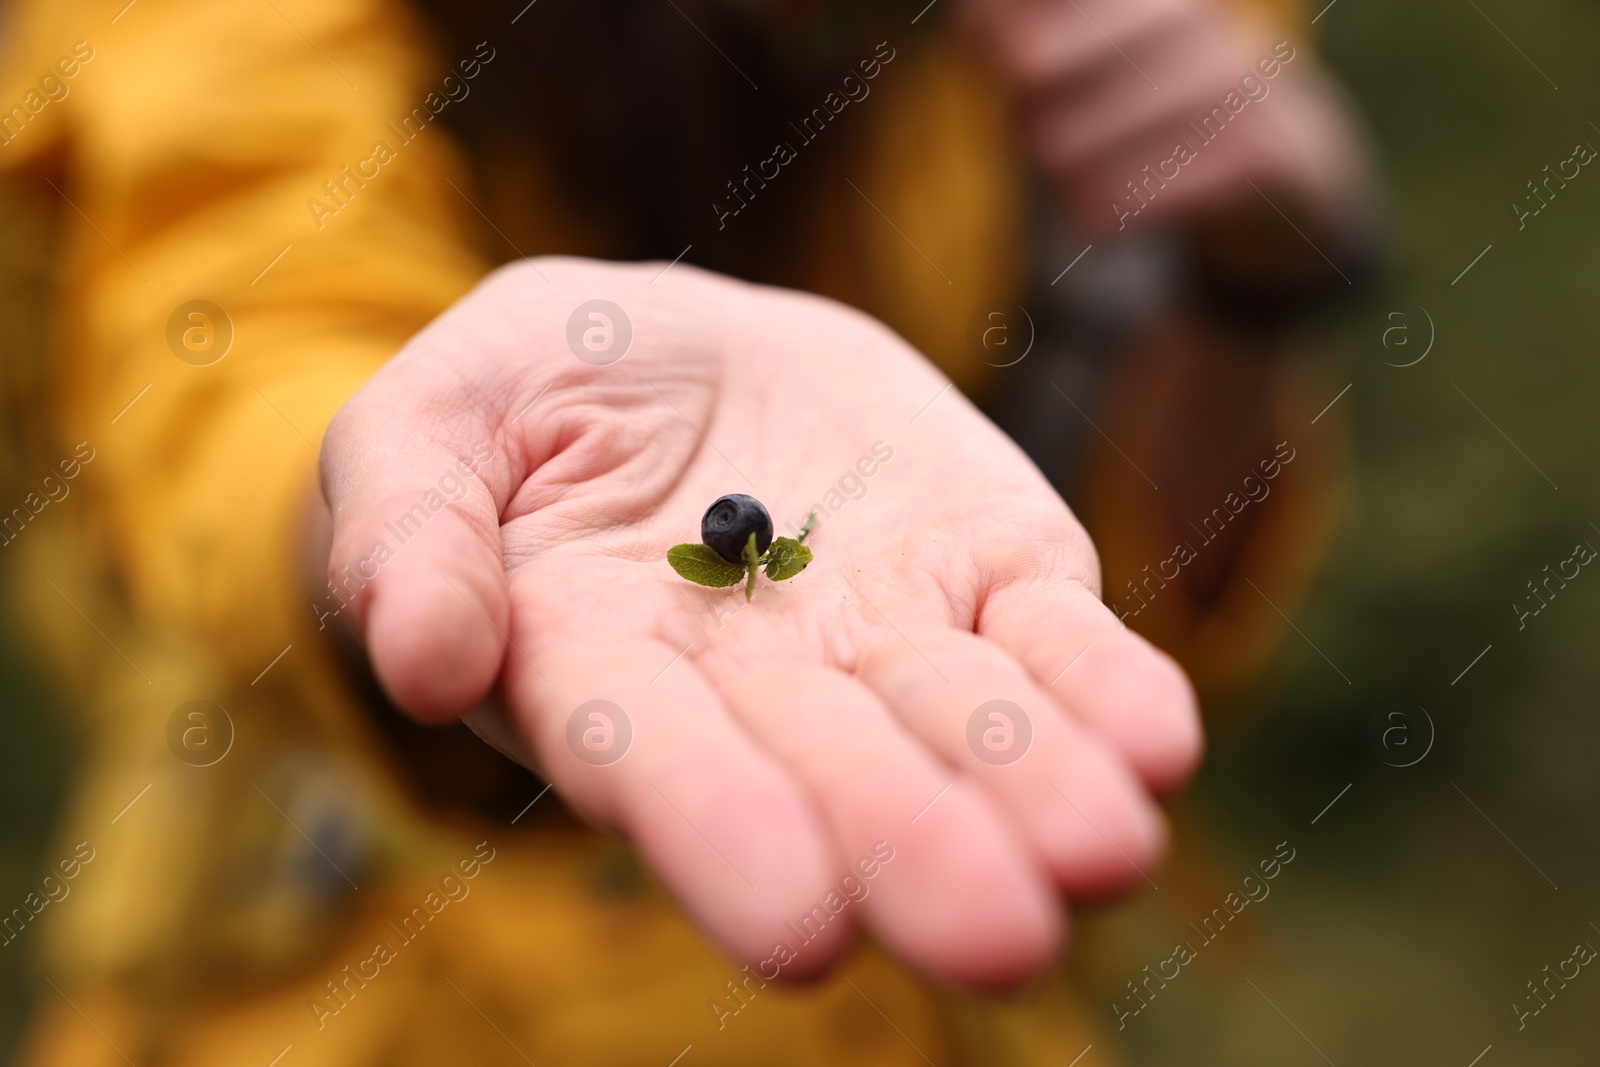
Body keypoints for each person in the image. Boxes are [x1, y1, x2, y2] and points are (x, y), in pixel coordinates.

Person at [0, 0, 1375, 1062]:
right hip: (333, 1004)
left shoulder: (1121, 37)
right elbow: (239, 323)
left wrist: (1256, 278)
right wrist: (396, 494)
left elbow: (1124, 625)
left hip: (899, 1012)